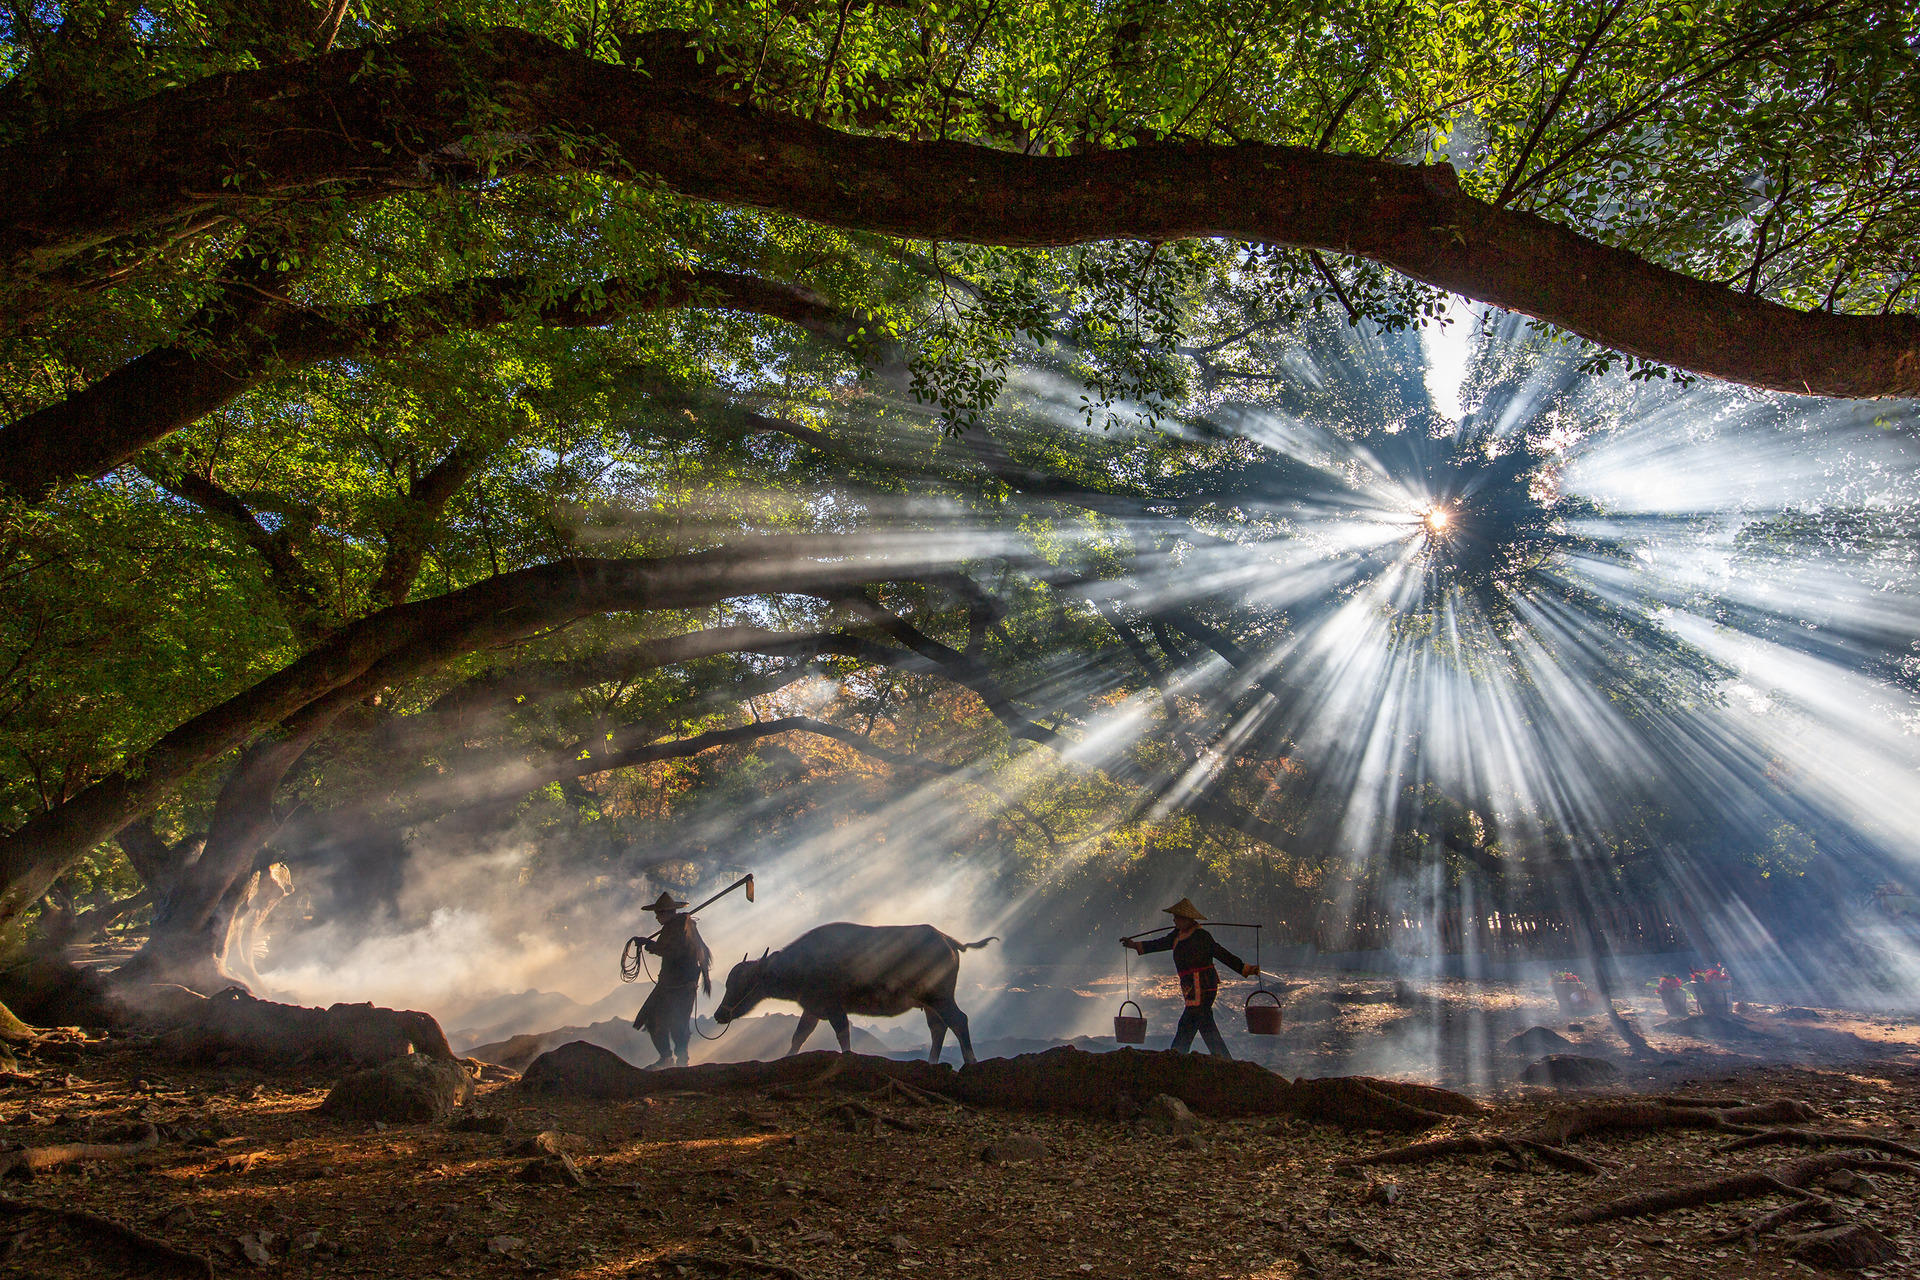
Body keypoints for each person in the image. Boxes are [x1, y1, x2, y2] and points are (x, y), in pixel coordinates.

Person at [1122, 898, 1258, 1059]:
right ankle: (1224, 1060)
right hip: (1190, 987)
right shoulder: (1178, 935)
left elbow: (1221, 954)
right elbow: (1160, 943)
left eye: (1176, 917)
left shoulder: (1202, 936)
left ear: (1186, 919)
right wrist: (1135, 945)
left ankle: (1176, 1057)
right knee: (1205, 1025)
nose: (1174, 920)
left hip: (1204, 986)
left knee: (1187, 1024)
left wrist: (1244, 968)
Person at [631, 891, 713, 1068]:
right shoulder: (676, 926)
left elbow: (671, 950)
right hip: (670, 984)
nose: (656, 917)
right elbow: (668, 947)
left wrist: (649, 945)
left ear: (667, 913)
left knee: (678, 1024)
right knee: (653, 1019)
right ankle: (667, 1058)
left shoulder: (679, 927)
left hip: (681, 985)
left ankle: (680, 1061)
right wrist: (648, 943)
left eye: (658, 914)